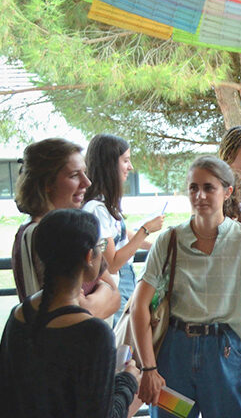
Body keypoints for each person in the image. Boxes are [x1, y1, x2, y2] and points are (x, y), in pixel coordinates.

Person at [131, 156, 241, 418]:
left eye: (209, 187)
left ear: (227, 192)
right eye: (193, 187)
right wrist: (149, 368)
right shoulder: (169, 240)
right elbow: (140, 305)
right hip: (175, 350)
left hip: (224, 352)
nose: (200, 195)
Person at [1, 208, 140, 418]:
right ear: (88, 256)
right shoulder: (94, 333)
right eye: (100, 246)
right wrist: (128, 381)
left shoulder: (19, 315)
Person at [12, 137, 120, 319]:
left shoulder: (66, 231)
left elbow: (115, 296)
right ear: (47, 183)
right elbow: (73, 314)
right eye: (74, 175)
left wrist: (98, 297)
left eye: (84, 173)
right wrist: (103, 293)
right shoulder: (50, 236)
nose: (87, 183)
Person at [83, 134, 164, 323]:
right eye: (126, 160)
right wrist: (146, 229)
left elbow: (118, 233)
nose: (131, 167)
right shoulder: (96, 210)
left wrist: (151, 246)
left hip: (125, 279)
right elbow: (112, 263)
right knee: (120, 343)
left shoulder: (104, 205)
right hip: (117, 281)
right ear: (109, 165)